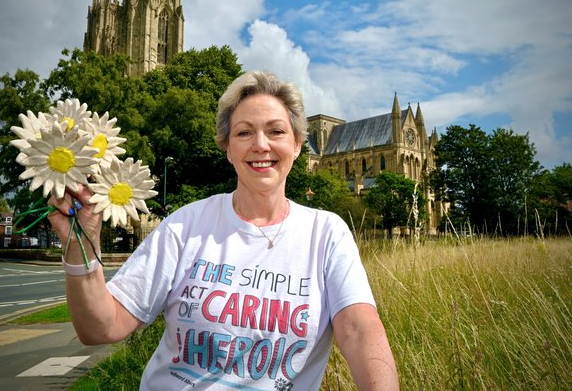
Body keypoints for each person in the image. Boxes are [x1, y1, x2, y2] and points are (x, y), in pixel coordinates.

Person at [48, 71, 399, 390]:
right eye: (244, 132)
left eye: (276, 131)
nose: (260, 144)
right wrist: (82, 244)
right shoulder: (186, 226)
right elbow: (100, 328)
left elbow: (359, 329)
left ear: (297, 144)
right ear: (228, 149)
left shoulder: (327, 233)